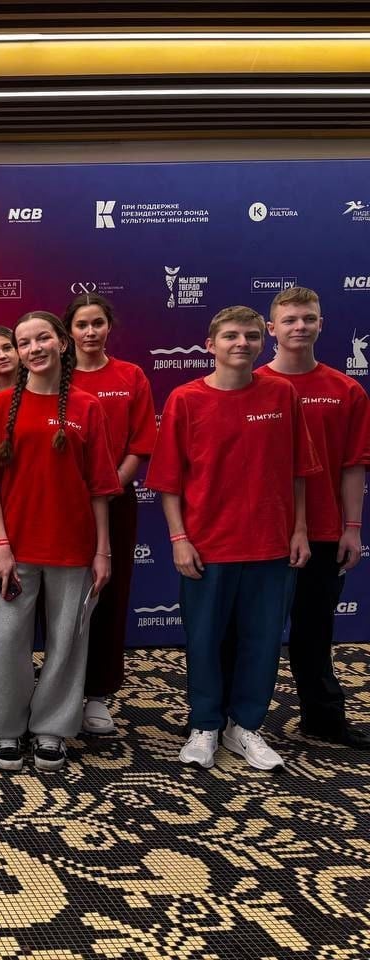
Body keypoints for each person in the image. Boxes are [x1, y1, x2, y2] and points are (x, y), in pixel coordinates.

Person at [147, 305, 319, 771]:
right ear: (210, 344)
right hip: (208, 546)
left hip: (271, 545)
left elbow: (299, 471)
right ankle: (205, 725)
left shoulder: (282, 394)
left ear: (263, 342)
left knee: (262, 642)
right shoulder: (185, 399)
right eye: (230, 336)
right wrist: (179, 538)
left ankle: (244, 726)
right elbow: (168, 481)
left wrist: (300, 529)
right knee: (204, 641)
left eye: (250, 336)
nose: (241, 343)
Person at [0, 310, 119, 773]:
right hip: (14, 551)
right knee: (7, 641)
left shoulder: (87, 407)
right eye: (24, 342)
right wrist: (0, 545)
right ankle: (4, 727)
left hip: (73, 549)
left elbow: (100, 488)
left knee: (67, 642)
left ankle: (52, 728)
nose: (34, 348)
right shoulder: (0, 406)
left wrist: (102, 550)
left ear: (61, 342)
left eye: (42, 338)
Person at [258, 287, 370, 749]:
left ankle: (322, 720)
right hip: (259, 532)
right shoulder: (249, 384)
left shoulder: (346, 390)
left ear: (321, 324)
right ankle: (227, 719)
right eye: (289, 320)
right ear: (272, 329)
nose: (299, 327)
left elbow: (353, 464)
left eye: (308, 318)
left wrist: (352, 528)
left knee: (314, 630)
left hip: (324, 531)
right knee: (247, 633)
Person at [66, 293, 158, 735]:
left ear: (108, 327)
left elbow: (140, 445)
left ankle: (98, 694)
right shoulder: (56, 375)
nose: (90, 332)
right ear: (69, 332)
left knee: (108, 595)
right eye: (81, 324)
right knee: (58, 600)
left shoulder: (130, 375)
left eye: (97, 323)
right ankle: (57, 691)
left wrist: (107, 488)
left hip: (116, 501)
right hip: (60, 506)